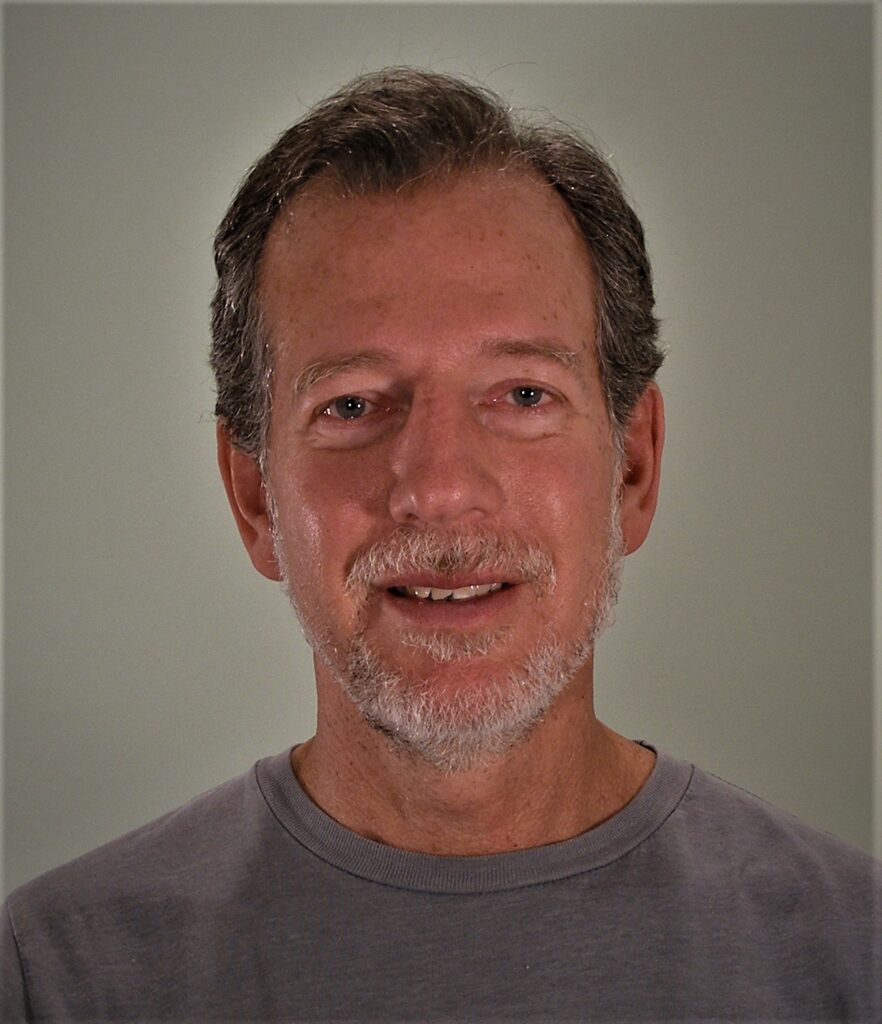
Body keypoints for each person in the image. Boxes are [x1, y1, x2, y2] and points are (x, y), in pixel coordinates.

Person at [2, 67, 879, 1022]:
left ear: (633, 465)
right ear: (254, 494)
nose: (438, 487)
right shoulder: (58, 979)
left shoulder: (852, 958)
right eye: (351, 405)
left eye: (523, 394)